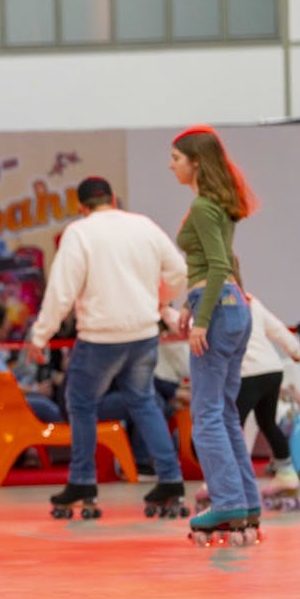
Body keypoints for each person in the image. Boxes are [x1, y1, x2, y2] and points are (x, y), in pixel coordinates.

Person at [26, 176, 188, 518]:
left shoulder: (80, 233)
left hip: (101, 337)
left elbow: (61, 291)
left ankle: (83, 481)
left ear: (82, 207)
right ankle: (171, 479)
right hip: (144, 334)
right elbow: (178, 270)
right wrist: (160, 302)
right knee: (144, 402)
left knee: (81, 403)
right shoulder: (144, 226)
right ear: (114, 199)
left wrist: (41, 336)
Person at [169, 124, 261, 544]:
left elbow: (220, 266)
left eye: (175, 158)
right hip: (231, 308)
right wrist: (194, 309)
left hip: (220, 310)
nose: (171, 165)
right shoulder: (217, 206)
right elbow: (221, 266)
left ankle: (226, 503)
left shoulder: (205, 206)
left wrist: (201, 320)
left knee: (206, 416)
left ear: (196, 163)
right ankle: (245, 501)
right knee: (223, 412)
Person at [239, 293, 300, 505]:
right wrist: (294, 350)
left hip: (247, 371)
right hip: (272, 369)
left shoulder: (218, 298)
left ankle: (228, 481)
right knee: (267, 422)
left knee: (229, 426)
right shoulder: (250, 300)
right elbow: (276, 328)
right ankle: (287, 475)